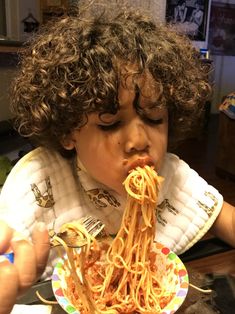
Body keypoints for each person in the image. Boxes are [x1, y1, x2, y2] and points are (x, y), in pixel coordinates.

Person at [0, 1, 235, 313]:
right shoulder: (44, 178)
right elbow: (10, 242)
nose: (139, 140)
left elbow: (223, 216)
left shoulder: (171, 174)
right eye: (110, 122)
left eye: (154, 118)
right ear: (68, 132)